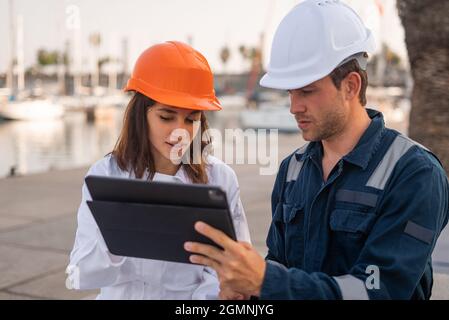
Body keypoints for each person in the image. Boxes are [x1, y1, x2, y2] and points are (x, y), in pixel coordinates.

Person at [184, 0, 449, 300]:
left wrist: (265, 281)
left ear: (351, 86)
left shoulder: (415, 173)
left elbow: (380, 291)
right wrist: (248, 293)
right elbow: (280, 264)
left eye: (307, 91)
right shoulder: (292, 169)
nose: (294, 107)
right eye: (290, 92)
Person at [66, 41, 251, 299]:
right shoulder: (105, 175)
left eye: (191, 119)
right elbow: (81, 273)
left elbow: (231, 272)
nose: (180, 131)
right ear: (140, 114)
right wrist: (119, 236)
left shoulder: (221, 179)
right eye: (166, 117)